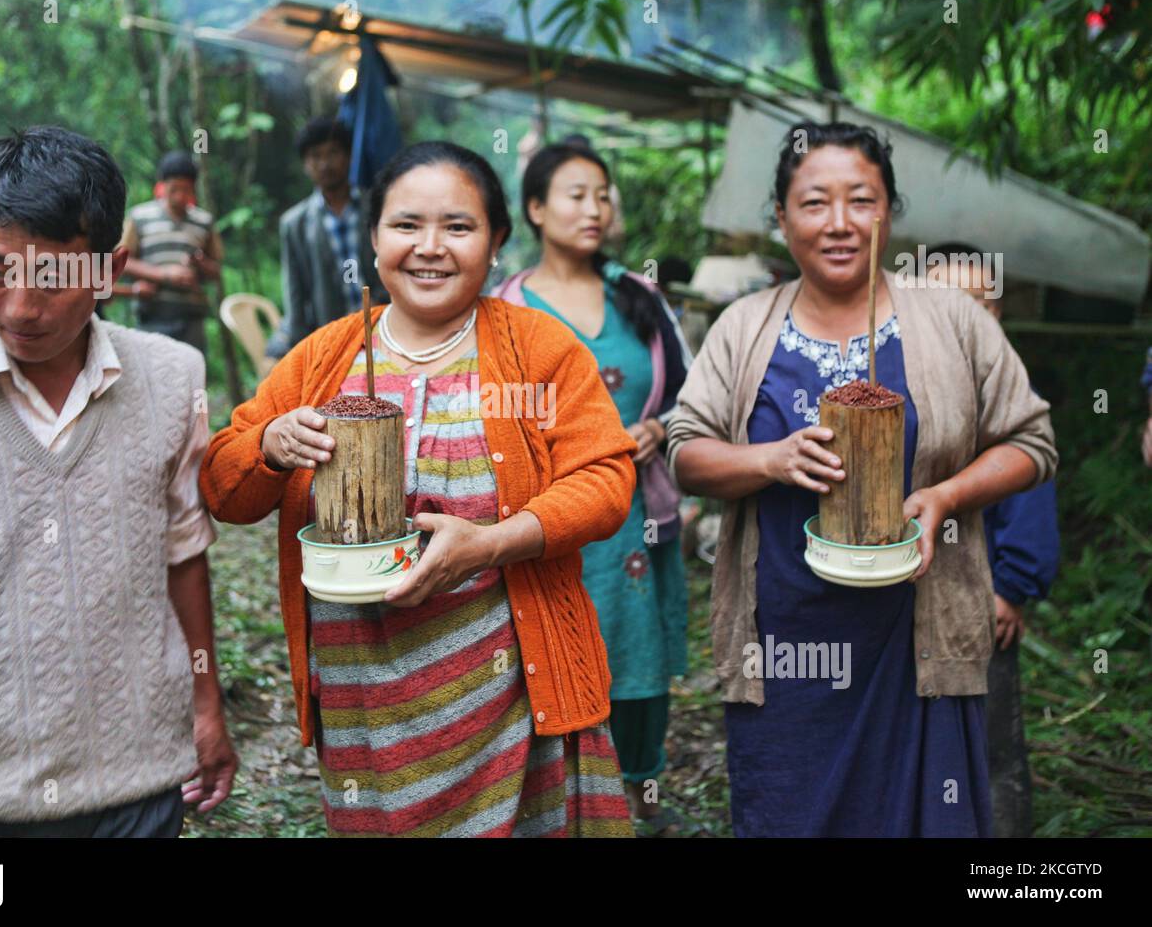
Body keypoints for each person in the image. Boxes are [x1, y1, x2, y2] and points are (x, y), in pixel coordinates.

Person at [200, 140, 638, 837]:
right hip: (366, 708)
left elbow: (606, 479)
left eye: (458, 227)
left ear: (496, 242)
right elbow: (224, 487)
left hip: (518, 698)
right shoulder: (320, 360)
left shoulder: (540, 351)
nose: (429, 248)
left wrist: (491, 544)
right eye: (406, 225)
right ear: (373, 239)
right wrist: (269, 446)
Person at [667, 122, 1058, 837]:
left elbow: (1031, 441)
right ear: (781, 219)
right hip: (784, 642)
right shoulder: (742, 326)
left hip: (921, 634)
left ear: (889, 213)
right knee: (792, 811)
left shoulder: (952, 321)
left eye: (862, 200)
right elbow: (685, 453)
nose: (840, 223)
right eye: (815, 203)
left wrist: (946, 497)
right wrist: (769, 461)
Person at [0, 126, 236, 838]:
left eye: (54, 276)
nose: (22, 307)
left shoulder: (172, 379)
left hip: (139, 781)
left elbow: (183, 552)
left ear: (109, 269)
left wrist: (206, 704)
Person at [493, 142, 691, 832]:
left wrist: (661, 430)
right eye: (576, 194)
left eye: (604, 194)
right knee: (560, 642)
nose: (595, 208)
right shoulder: (505, 308)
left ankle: (638, 790)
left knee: (638, 643)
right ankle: (562, 794)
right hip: (553, 513)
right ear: (536, 209)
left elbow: (693, 397)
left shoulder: (640, 297)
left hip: (639, 508)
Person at [927, 245, 1060, 838]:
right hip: (905, 596)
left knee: (992, 744)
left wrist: (1012, 587)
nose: (965, 317)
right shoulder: (898, 380)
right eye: (945, 301)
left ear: (999, 317)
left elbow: (1032, 494)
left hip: (981, 598)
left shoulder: (1009, 390)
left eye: (981, 304)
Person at [265, 117, 384, 359]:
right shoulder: (295, 223)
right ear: (305, 164)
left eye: (333, 153)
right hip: (329, 335)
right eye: (315, 156)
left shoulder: (377, 207)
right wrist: (300, 351)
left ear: (349, 156)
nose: (325, 163)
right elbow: (295, 291)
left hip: (382, 325)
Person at [117, 150, 224, 353]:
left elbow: (216, 271)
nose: (180, 196)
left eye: (186, 189)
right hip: (152, 316)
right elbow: (122, 261)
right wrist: (164, 275)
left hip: (191, 318)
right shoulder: (140, 217)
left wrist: (201, 264)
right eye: (174, 189)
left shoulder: (204, 222)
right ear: (162, 186)